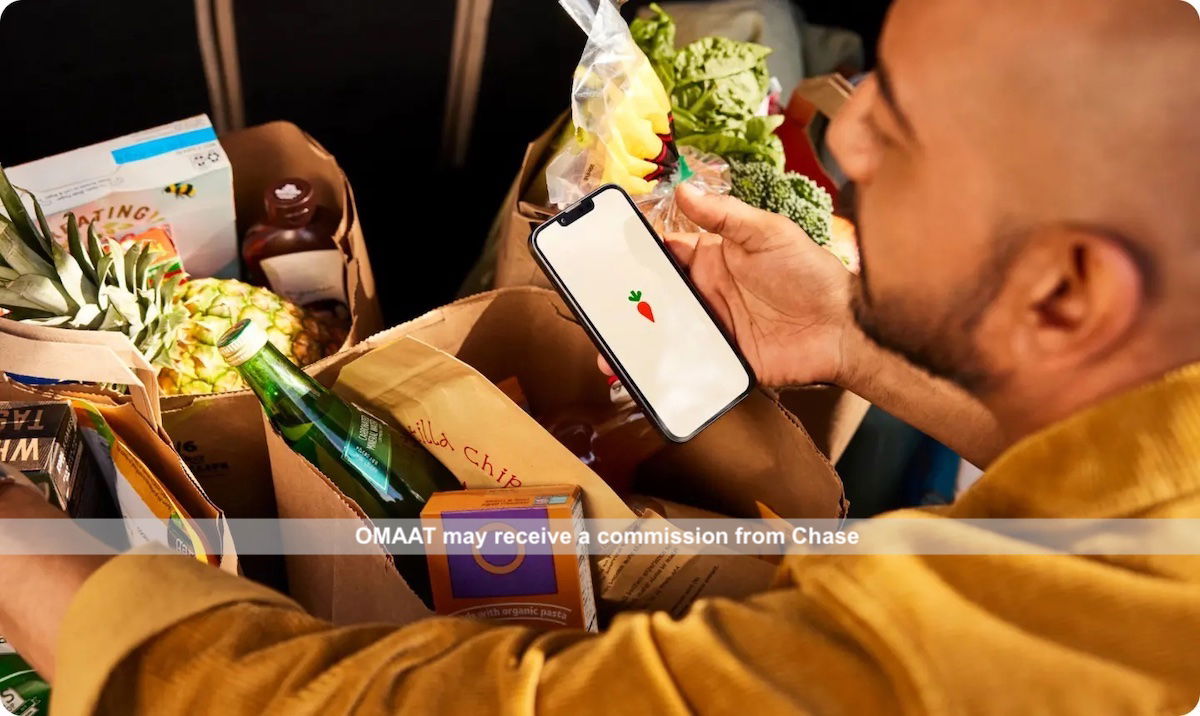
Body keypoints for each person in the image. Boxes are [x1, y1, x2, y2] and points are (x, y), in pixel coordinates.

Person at [2, 0, 1199, 712]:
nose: (852, 139)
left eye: (906, 129)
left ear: (1068, 288)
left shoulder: (1018, 647)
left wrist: (27, 553)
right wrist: (850, 335)